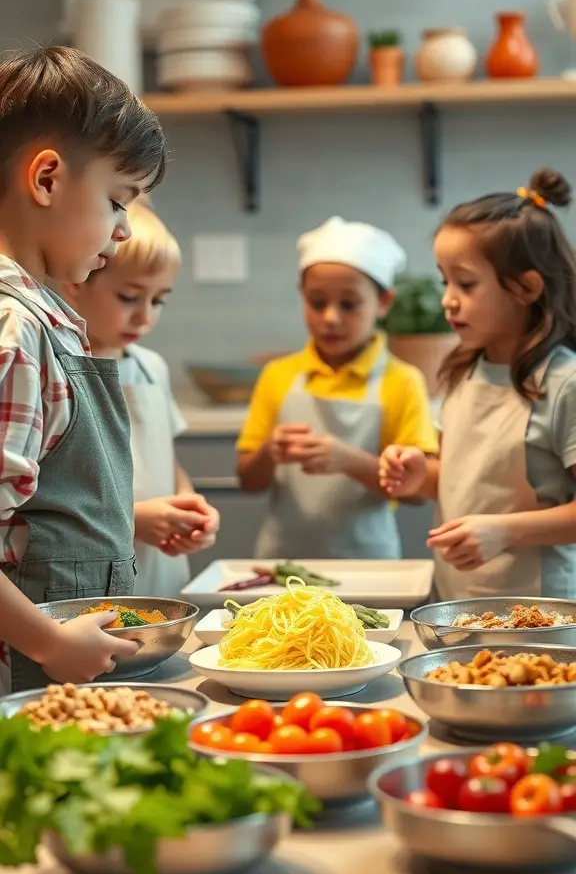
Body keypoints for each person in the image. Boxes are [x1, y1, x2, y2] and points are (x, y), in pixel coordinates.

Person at [0, 44, 167, 691]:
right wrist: (47, 640)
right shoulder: (17, 332)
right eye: (119, 200)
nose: (123, 231)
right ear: (46, 180)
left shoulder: (47, 322)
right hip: (26, 677)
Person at [380, 168, 576, 601]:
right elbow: (458, 478)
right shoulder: (464, 369)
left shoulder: (565, 382)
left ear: (525, 287)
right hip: (459, 603)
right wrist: (418, 475)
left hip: (541, 614)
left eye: (466, 283)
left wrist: (504, 531)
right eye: (444, 280)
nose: (448, 298)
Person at [237, 216, 439, 559]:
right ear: (302, 297)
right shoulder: (278, 375)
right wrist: (269, 451)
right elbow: (248, 480)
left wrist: (350, 460)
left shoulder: (402, 381)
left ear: (384, 302)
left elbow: (419, 492)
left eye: (349, 304)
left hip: (370, 565)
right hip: (282, 564)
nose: (330, 318)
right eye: (317, 302)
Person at [65, 199, 220, 598]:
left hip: (161, 561)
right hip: (93, 564)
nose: (146, 316)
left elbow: (165, 461)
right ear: (76, 284)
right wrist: (132, 520)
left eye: (159, 300)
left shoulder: (152, 367)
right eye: (130, 297)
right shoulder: (63, 367)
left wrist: (187, 502)